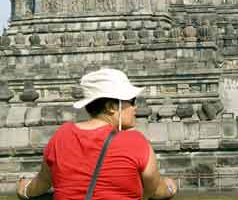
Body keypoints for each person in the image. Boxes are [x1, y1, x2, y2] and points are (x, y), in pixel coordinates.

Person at [17, 68, 177, 200]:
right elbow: (156, 190)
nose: (135, 108)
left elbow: (41, 184)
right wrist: (171, 186)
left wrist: (24, 189)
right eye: (132, 101)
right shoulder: (135, 141)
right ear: (111, 106)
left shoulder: (62, 135)